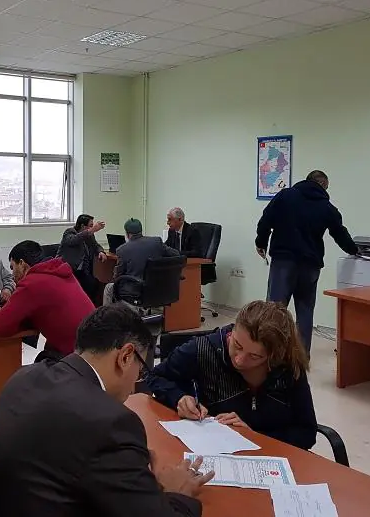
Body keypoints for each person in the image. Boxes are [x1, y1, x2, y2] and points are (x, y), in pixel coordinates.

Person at [0, 305, 213, 517]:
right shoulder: (112, 422)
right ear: (126, 356)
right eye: (140, 370)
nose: (135, 383)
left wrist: (127, 467)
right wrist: (175, 493)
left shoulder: (26, 375)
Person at [146, 300, 317, 450]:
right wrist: (179, 398)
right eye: (237, 345)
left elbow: (307, 433)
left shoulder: (288, 367)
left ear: (273, 357)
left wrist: (255, 437)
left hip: (273, 459)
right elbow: (155, 377)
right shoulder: (204, 350)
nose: (239, 360)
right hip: (216, 453)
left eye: (254, 356)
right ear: (232, 331)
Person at [255, 170, 358, 354]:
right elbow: (340, 233)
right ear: (323, 185)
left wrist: (260, 243)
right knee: (305, 311)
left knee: (274, 310)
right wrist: (355, 250)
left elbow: (265, 221)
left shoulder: (285, 196)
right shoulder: (326, 207)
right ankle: (302, 358)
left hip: (284, 261)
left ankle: (271, 353)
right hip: (310, 264)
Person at [0, 240, 94, 362]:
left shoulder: (32, 283)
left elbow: (0, 327)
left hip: (77, 357)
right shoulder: (60, 272)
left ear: (22, 264)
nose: (13, 274)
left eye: (13, 267)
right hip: (95, 348)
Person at [103, 218, 179, 306]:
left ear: (127, 234)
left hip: (135, 289)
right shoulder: (156, 242)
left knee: (108, 288)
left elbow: (118, 275)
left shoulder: (122, 250)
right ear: (141, 230)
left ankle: (107, 313)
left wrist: (114, 275)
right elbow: (176, 254)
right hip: (157, 288)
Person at [58, 213, 107, 302]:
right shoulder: (69, 232)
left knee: (95, 284)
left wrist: (101, 251)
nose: (92, 228)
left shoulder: (89, 234)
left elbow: (96, 245)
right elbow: (74, 240)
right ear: (82, 226)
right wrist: (92, 230)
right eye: (90, 225)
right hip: (69, 269)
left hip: (84, 270)